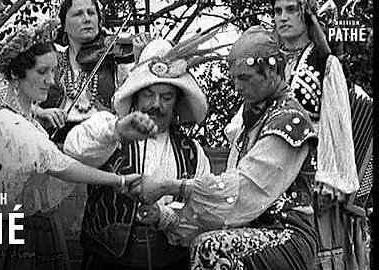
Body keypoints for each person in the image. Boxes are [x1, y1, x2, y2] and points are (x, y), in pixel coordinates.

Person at [130, 26, 320, 270]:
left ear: (272, 71)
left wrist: (170, 186)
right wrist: (165, 218)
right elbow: (226, 208)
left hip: (288, 236)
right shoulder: (250, 124)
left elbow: (240, 191)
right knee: (206, 242)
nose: (237, 88)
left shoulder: (289, 121)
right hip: (249, 228)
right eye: (234, 79)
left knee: (211, 246)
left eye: (245, 78)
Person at [0, 20, 141, 270]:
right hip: (20, 236)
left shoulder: (28, 120)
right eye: (42, 72)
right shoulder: (6, 123)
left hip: (40, 228)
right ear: (16, 74)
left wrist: (39, 112)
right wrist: (118, 181)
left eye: (53, 72)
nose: (51, 80)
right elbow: (60, 165)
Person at [224, 1, 359, 269]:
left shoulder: (324, 62)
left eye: (290, 10)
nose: (282, 18)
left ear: (306, 12)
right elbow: (241, 125)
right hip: (268, 168)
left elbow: (337, 123)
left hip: (313, 177)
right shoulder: (267, 62)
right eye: (277, 11)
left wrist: (330, 179)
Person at [63, 38, 212, 269]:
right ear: (136, 96)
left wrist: (163, 215)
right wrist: (117, 130)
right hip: (107, 262)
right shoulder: (110, 132)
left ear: (177, 102)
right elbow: (73, 148)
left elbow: (204, 211)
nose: (156, 104)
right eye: (148, 95)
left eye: (166, 97)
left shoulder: (193, 151)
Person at [34, 0, 148, 143]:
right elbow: (16, 98)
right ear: (64, 25)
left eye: (91, 13)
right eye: (78, 14)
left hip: (104, 145)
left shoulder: (115, 61)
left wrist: (139, 60)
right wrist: (40, 112)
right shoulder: (51, 60)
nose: (87, 18)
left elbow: (136, 102)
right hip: (56, 143)